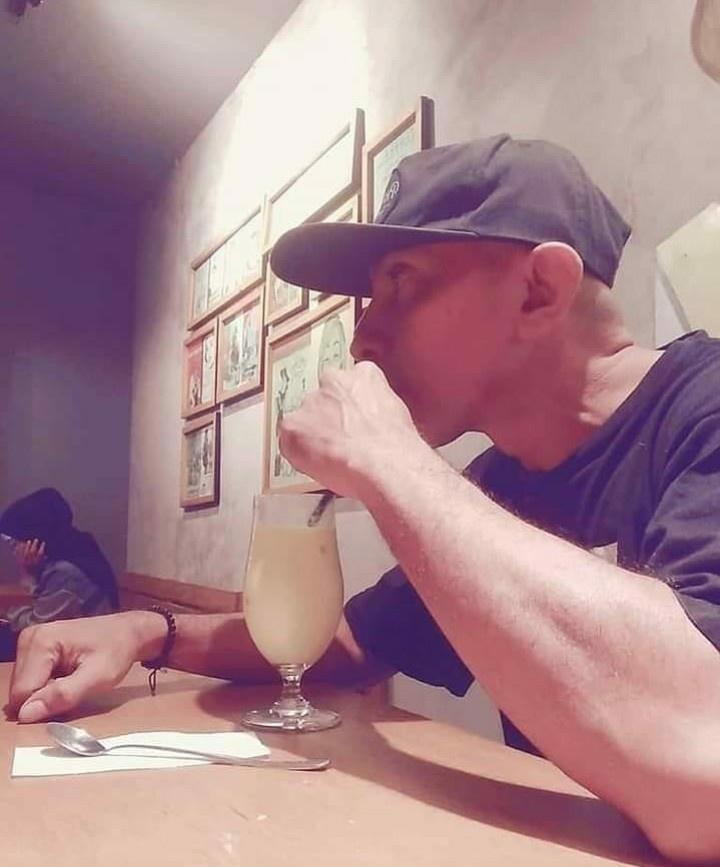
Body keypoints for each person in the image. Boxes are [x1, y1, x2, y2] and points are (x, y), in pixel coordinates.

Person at [5, 136, 720, 862]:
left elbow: (706, 777)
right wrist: (147, 632)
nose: (362, 336)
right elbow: (350, 643)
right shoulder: (502, 485)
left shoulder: (706, 411)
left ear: (538, 291)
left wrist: (388, 457)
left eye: (403, 282)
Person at [0, 488, 119, 660]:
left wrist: (26, 575)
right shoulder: (74, 551)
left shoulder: (66, 572)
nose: (13, 550)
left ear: (35, 539)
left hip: (83, 653)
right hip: (68, 642)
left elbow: (33, 629)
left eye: (13, 543)